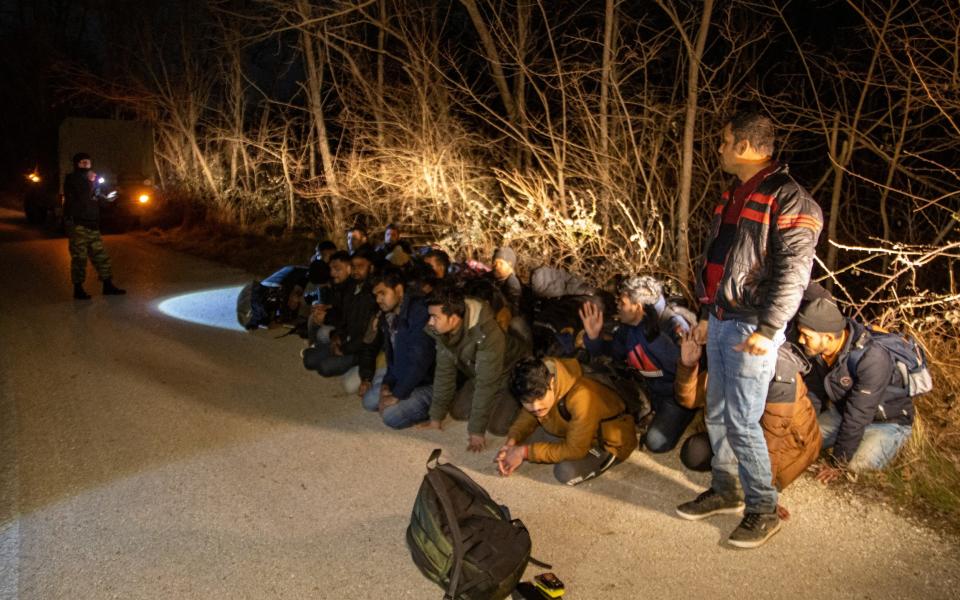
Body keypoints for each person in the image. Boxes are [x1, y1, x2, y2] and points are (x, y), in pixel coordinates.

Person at [678, 111, 823, 549]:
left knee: (742, 419)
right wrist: (706, 313)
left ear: (744, 145)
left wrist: (770, 327)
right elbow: (720, 263)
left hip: (752, 325)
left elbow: (793, 274)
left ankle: (762, 507)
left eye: (724, 141)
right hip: (723, 318)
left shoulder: (790, 199)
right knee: (718, 411)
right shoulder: (734, 194)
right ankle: (727, 488)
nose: (719, 148)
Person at [674, 330, 822, 495]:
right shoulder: (730, 363)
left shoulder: (780, 378)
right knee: (694, 453)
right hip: (746, 437)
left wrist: (766, 494)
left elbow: (772, 442)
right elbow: (689, 399)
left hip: (787, 451)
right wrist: (687, 366)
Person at [795, 298, 916, 481]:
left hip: (887, 422)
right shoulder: (820, 353)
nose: (800, 339)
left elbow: (858, 414)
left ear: (828, 337)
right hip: (842, 414)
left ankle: (870, 447)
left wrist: (838, 462)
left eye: (806, 335)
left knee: (853, 470)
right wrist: (803, 426)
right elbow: (814, 395)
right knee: (798, 443)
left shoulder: (872, 357)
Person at [580, 275, 695, 453]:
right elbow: (614, 354)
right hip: (649, 389)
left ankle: (689, 414)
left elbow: (682, 368)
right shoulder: (630, 328)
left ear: (638, 307)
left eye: (623, 302)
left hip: (675, 395)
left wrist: (654, 340)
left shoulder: (673, 324)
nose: (618, 305)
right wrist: (595, 338)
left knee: (655, 442)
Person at [420, 285, 529, 452]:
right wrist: (436, 418)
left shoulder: (487, 333)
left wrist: (476, 431)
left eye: (435, 317)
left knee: (497, 427)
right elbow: (444, 374)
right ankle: (494, 401)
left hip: (511, 371)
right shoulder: (442, 332)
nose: (430, 322)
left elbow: (487, 384)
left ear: (454, 318)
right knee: (458, 412)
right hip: (480, 372)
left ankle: (513, 398)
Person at [497, 357, 638, 485]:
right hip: (573, 430)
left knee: (566, 472)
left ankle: (606, 459)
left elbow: (575, 450)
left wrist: (524, 453)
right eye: (527, 401)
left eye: (540, 398)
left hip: (607, 443)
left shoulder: (582, 397)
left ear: (551, 382)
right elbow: (527, 416)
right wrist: (511, 442)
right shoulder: (540, 377)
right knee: (521, 443)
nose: (536, 407)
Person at [358, 270, 436, 428]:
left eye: (382, 293)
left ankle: (432, 409)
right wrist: (387, 385)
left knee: (391, 416)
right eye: (376, 295)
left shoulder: (419, 312)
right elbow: (392, 359)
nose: (378, 299)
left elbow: (420, 363)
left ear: (399, 291)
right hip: (405, 376)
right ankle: (401, 395)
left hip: (428, 381)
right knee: (369, 402)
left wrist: (397, 395)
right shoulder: (389, 315)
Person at [302, 249, 378, 377]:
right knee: (308, 359)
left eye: (360, 266)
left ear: (371, 268)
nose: (355, 270)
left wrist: (343, 349)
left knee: (324, 368)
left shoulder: (373, 294)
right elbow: (345, 319)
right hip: (346, 339)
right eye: (354, 267)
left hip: (359, 349)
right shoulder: (353, 287)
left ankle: (355, 365)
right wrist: (337, 336)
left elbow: (366, 336)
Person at [62, 152, 126, 299]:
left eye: (88, 162)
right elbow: (82, 196)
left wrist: (110, 199)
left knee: (101, 256)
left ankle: (108, 285)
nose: (86, 164)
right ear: (77, 164)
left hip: (92, 224)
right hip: (78, 224)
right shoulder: (72, 179)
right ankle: (78, 289)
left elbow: (97, 199)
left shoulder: (92, 180)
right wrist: (90, 182)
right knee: (80, 258)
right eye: (83, 162)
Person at [491, 247, 523, 316]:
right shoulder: (493, 277)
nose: (496, 266)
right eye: (495, 262)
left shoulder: (512, 283)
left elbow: (514, 309)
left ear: (510, 264)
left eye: (501, 263)